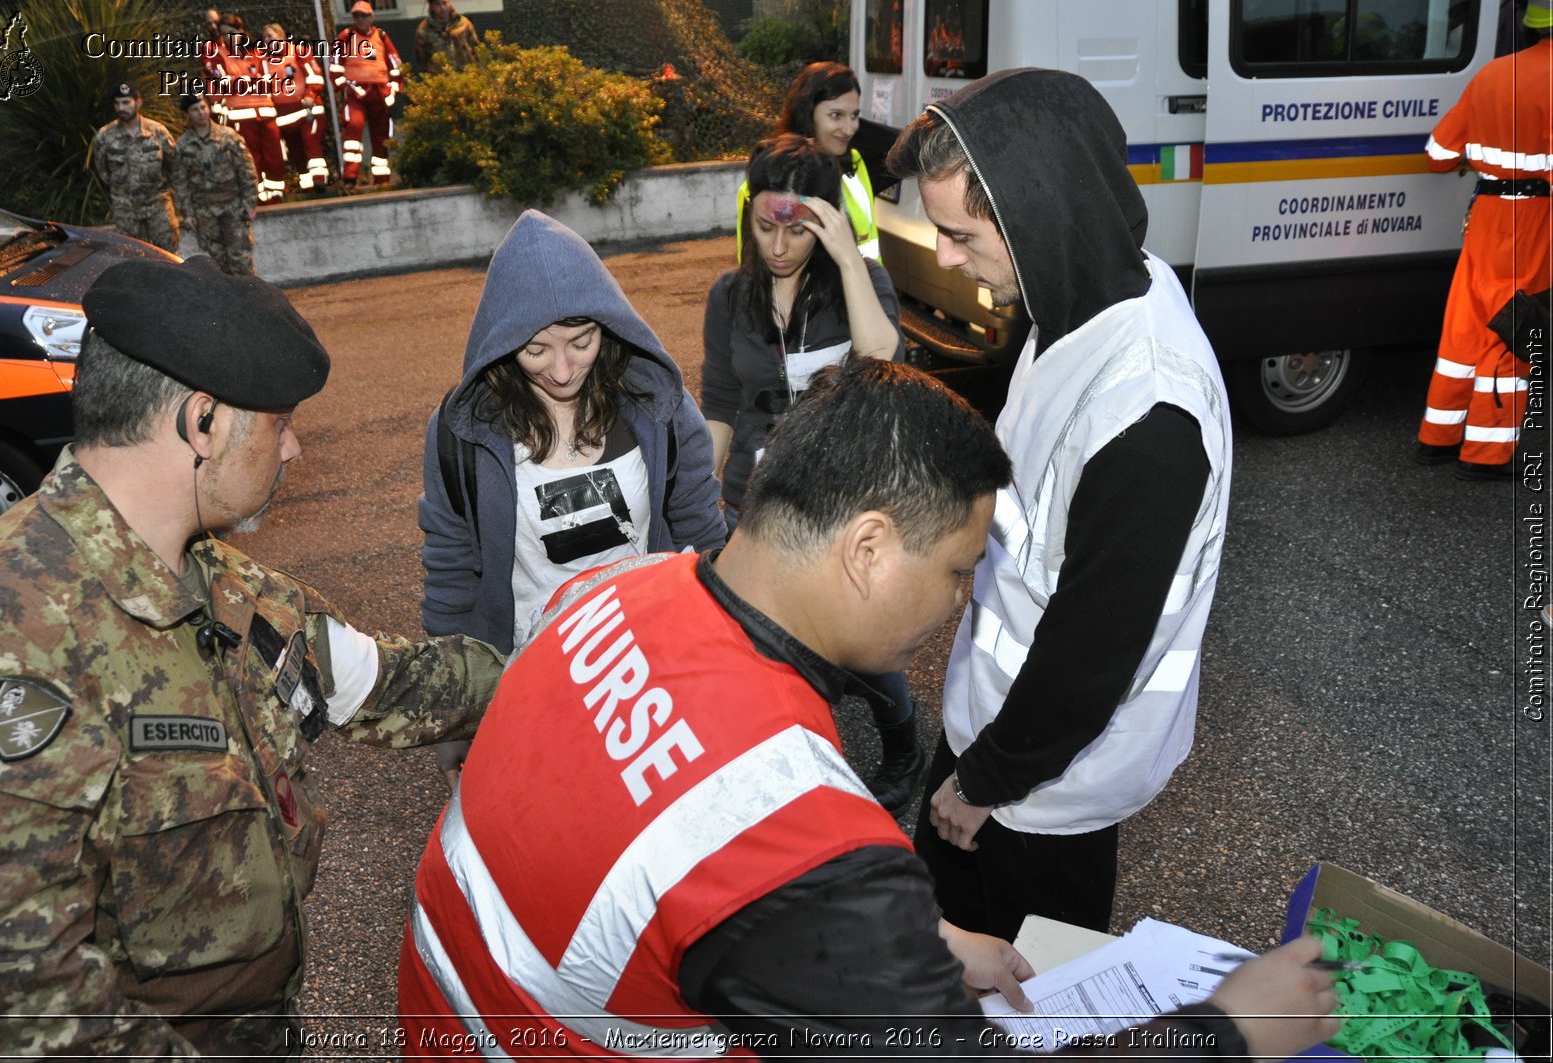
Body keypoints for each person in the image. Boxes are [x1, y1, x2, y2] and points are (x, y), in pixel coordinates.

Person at [396, 358, 1340, 1060]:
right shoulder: (795, 834)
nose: (962, 601)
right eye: (960, 570)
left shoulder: (619, 590)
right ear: (870, 548)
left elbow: (650, 835)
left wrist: (918, 943)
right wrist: (1228, 1031)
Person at [0, 256, 507, 1057]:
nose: (293, 450)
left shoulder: (229, 588)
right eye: (280, 423)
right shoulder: (2, 632)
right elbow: (13, 996)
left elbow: (389, 682)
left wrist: (574, 660)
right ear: (202, 422)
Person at [886, 68, 1232, 939]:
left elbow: (1093, 648)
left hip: (1041, 791)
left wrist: (983, 782)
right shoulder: (1085, 290)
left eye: (961, 235)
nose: (947, 257)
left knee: (1019, 999)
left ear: (1039, 215)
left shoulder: (1151, 415)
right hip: (994, 731)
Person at [418, 208, 726, 784]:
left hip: (648, 675)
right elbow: (451, 575)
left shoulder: (659, 410)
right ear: (501, 345)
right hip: (529, 678)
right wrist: (455, 718)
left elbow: (702, 538)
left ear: (608, 328)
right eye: (535, 351)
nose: (562, 370)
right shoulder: (462, 434)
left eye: (581, 342)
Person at [702, 133, 919, 814]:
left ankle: (904, 745)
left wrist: (847, 257)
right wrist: (701, 496)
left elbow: (885, 358)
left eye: (796, 229)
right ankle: (797, 768)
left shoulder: (859, 285)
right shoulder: (730, 296)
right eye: (764, 226)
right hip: (755, 500)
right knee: (767, 643)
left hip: (839, 498)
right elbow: (720, 399)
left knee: (860, 639)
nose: (778, 246)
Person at [1415, 0, 1551, 480]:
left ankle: (1438, 437)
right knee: (1513, 325)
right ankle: (1488, 453)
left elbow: (1437, 153)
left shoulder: (1492, 74)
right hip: (1534, 218)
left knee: (1465, 328)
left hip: (1486, 213)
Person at [735, 62, 880, 262]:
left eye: (854, 116)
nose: (849, 128)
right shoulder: (770, 182)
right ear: (807, 114)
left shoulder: (855, 165)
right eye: (836, 115)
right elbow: (753, 272)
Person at [204, 12, 287, 204]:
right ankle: (256, 196)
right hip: (241, 116)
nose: (229, 38)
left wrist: (243, 82)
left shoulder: (257, 52)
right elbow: (224, 82)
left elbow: (272, 80)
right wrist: (252, 82)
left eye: (232, 32)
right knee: (251, 159)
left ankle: (276, 195)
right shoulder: (219, 54)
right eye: (224, 34)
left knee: (275, 156)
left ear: (242, 31)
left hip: (267, 111)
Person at [173, 91, 258, 276]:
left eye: (203, 107)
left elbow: (247, 171)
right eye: (195, 110)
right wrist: (187, 213)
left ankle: (251, 300)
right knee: (217, 263)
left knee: (240, 259)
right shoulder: (183, 145)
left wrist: (249, 204)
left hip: (233, 207)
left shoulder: (229, 137)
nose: (201, 112)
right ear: (188, 115)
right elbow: (180, 182)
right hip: (205, 212)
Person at [89, 80, 180, 253]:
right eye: (117, 103)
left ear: (138, 102)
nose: (121, 108)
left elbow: (174, 166)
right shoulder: (105, 136)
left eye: (126, 102)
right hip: (126, 208)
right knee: (132, 256)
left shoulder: (157, 132)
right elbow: (103, 171)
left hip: (157, 205)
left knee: (168, 254)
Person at [333, 0, 404, 186]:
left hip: (379, 93)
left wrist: (393, 89)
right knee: (353, 128)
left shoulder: (381, 36)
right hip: (355, 93)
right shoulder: (345, 36)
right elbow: (334, 65)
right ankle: (350, 177)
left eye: (364, 15)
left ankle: (381, 179)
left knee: (381, 136)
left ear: (371, 16)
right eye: (356, 15)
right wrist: (344, 86)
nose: (360, 19)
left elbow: (395, 64)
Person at [260, 22, 331, 193]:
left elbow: (315, 76)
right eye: (265, 37)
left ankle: (320, 181)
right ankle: (307, 187)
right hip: (283, 114)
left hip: (306, 110)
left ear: (281, 35)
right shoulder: (263, 61)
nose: (267, 40)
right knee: (296, 151)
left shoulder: (298, 52)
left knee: (311, 143)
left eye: (271, 35)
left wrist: (310, 95)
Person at [413, 0, 481, 74]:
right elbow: (422, 59)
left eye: (444, 3)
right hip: (441, 79)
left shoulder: (464, 24)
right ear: (432, 6)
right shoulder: (424, 30)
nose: (442, 7)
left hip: (466, 75)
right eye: (437, 4)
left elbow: (476, 49)